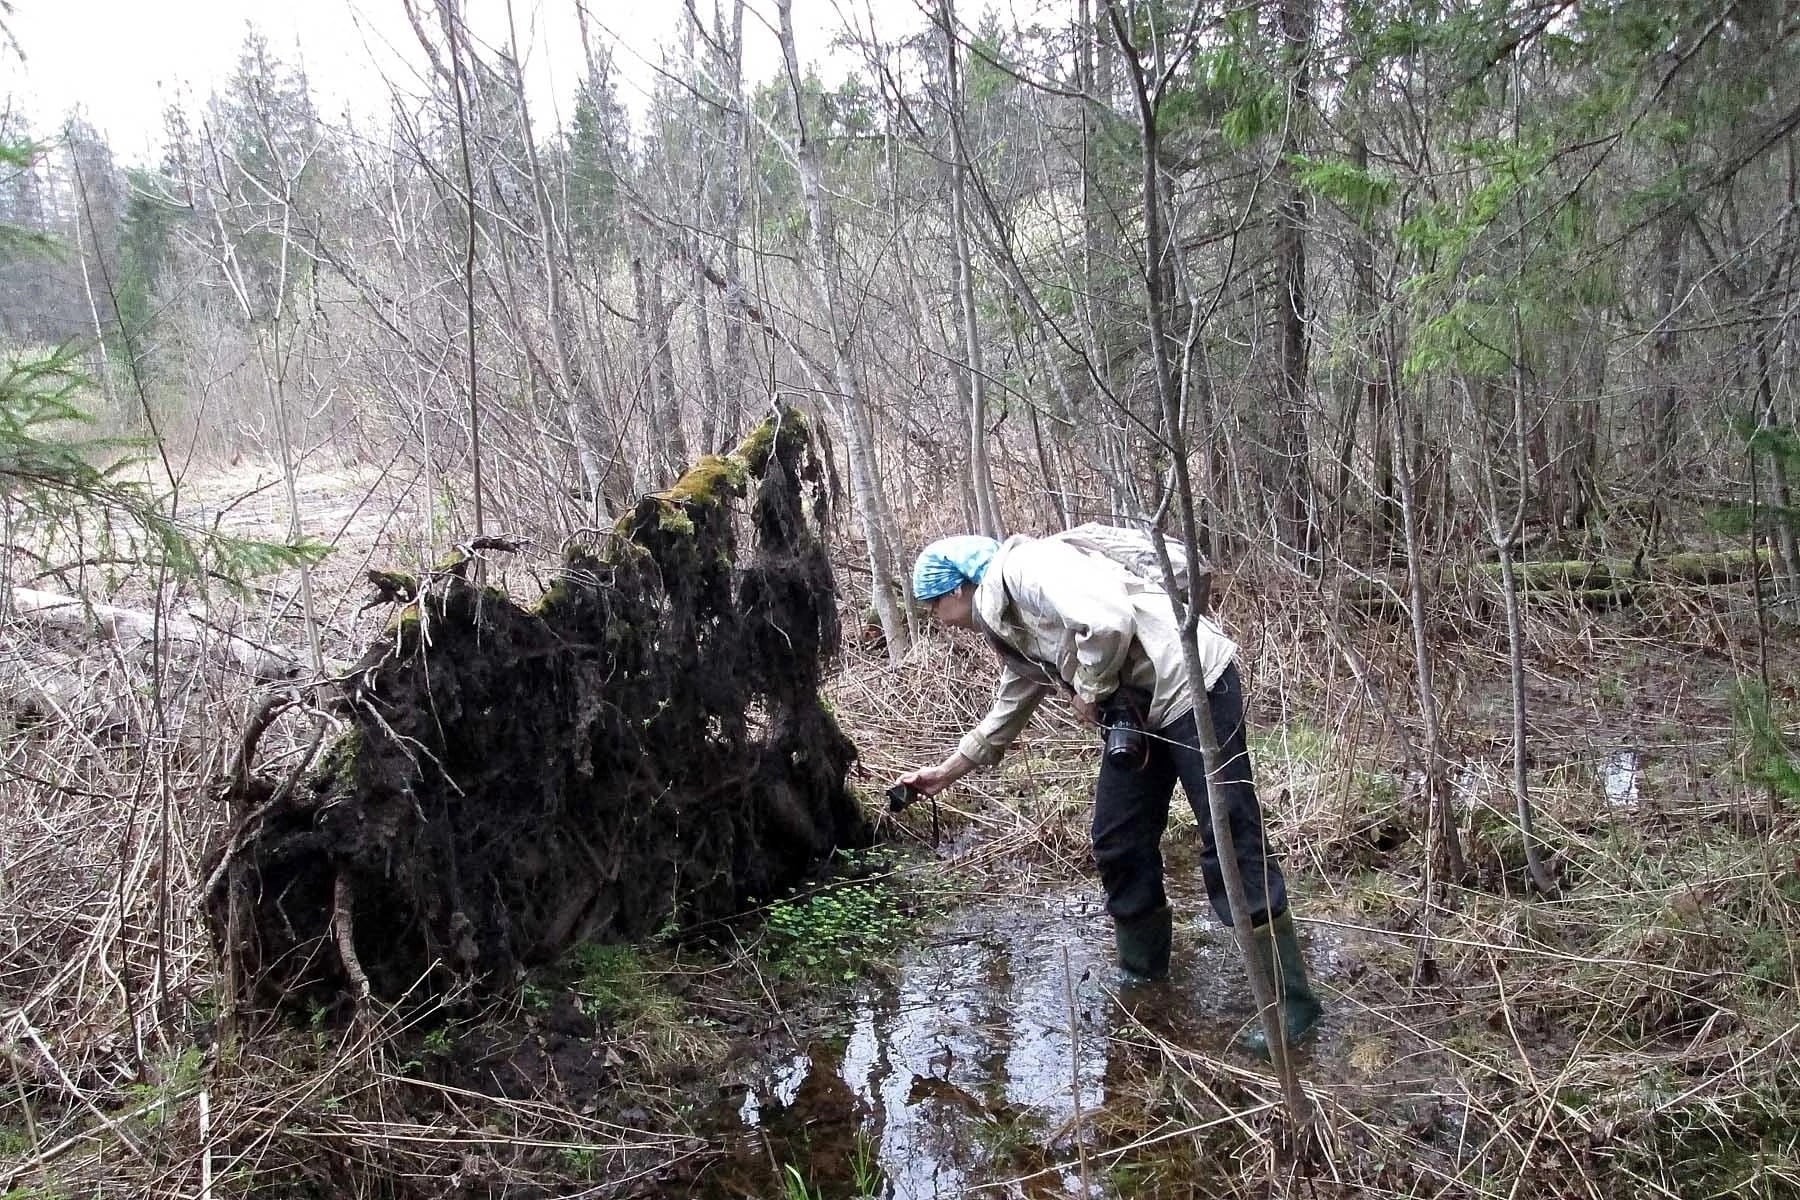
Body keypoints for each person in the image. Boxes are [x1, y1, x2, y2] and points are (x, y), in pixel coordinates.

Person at [896, 532, 1322, 1056]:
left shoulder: (1028, 568)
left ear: (957, 589)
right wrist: (944, 773)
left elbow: (1109, 620)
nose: (940, 620)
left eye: (934, 605)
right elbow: (1008, 710)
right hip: (1140, 713)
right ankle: (1143, 974)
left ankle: (1291, 1004)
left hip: (1192, 685)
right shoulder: (1008, 623)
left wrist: (1091, 690)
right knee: (1118, 839)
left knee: (1229, 836)